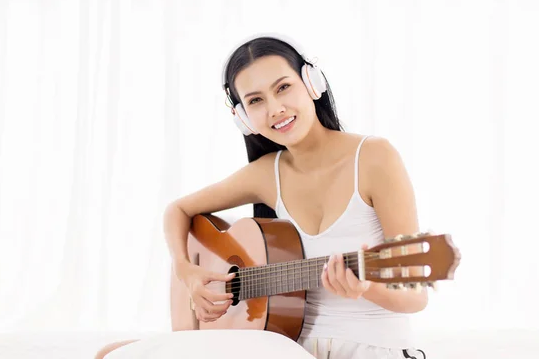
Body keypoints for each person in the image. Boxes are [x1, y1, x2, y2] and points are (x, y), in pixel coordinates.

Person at [95, 33, 428, 359]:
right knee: (112, 354)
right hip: (285, 347)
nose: (275, 109)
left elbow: (416, 296)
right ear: (243, 117)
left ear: (312, 84)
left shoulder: (374, 157)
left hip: (370, 348)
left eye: (283, 88)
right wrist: (186, 270)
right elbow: (178, 210)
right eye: (255, 100)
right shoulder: (266, 173)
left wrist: (366, 287)